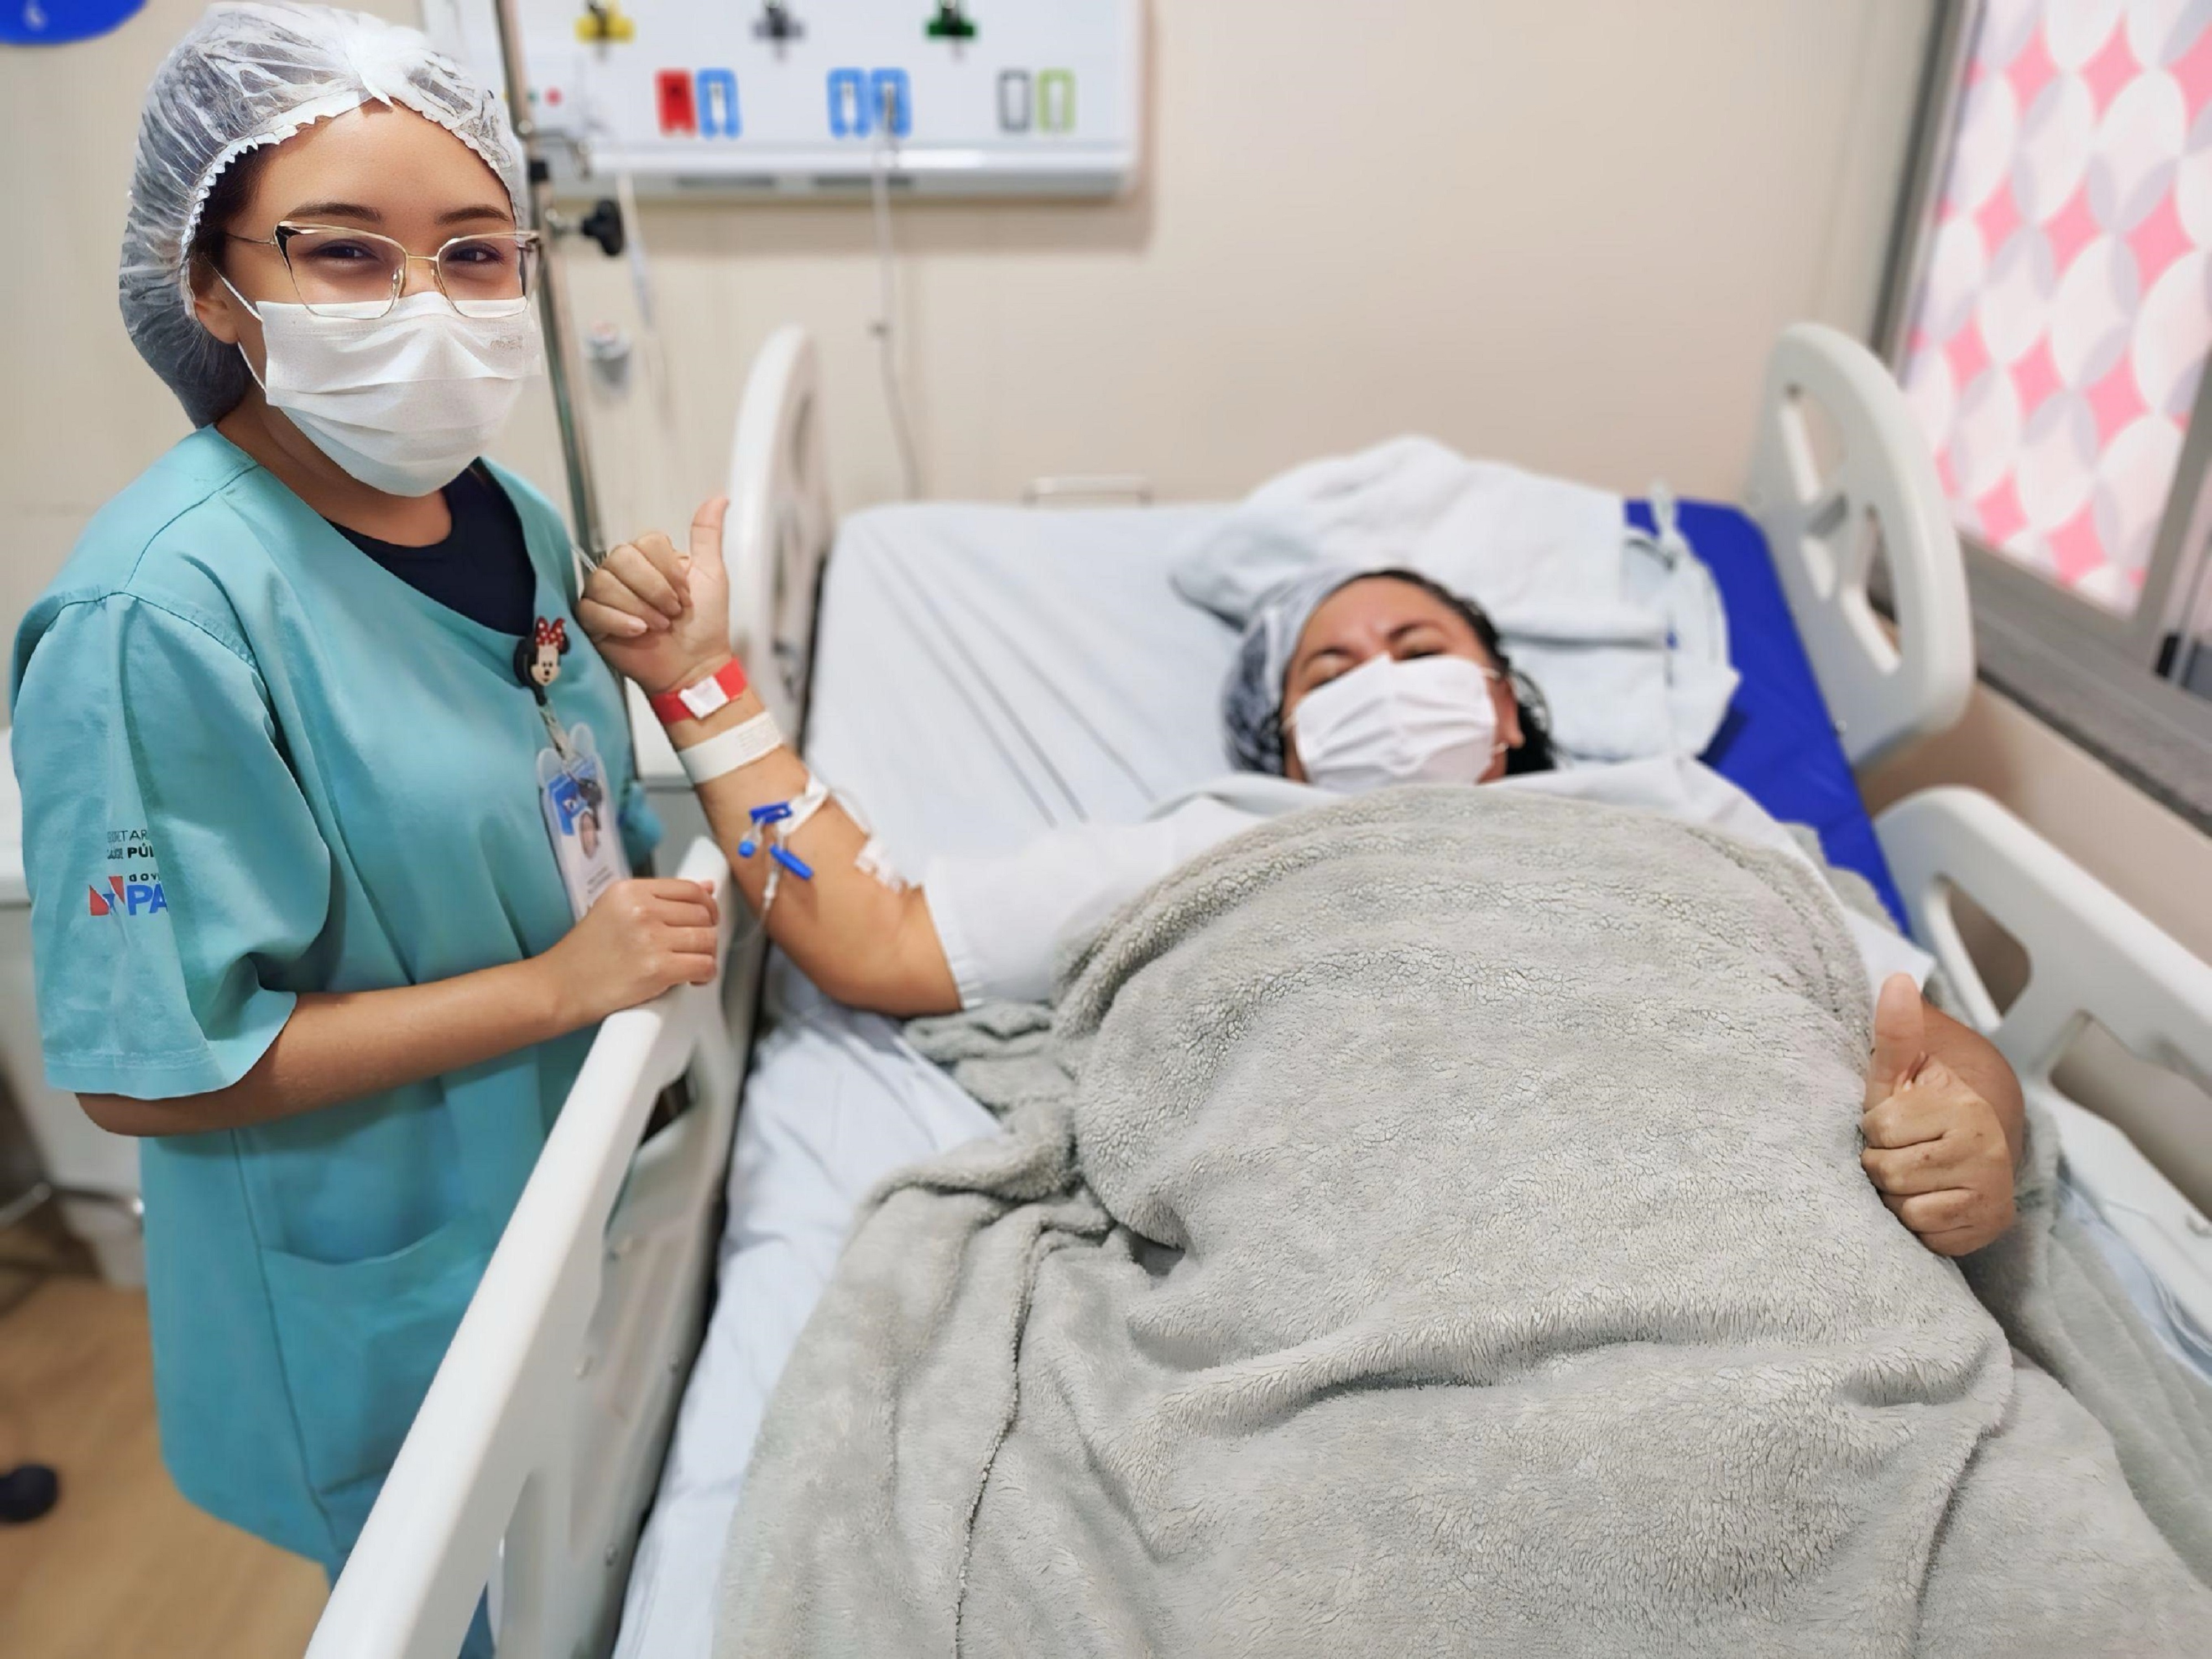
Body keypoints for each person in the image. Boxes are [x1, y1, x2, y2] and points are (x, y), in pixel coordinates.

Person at [9, 3, 719, 1621]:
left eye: (475, 253)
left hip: (560, 1177)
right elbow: (148, 1074)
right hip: (383, 1284)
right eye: (344, 252)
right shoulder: (155, 619)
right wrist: (559, 991)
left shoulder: (498, 510)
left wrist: (673, 676)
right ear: (209, 284)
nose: (430, 304)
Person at [581, 504, 2025, 1262]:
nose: (1379, 680)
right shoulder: (1222, 840)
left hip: (1719, 1205)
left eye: (1421, 651)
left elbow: (1927, 1038)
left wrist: (1975, 1140)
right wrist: (698, 685)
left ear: (1507, 703)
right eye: (1329, 672)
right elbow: (878, 933)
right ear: (1284, 738)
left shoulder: (1678, 809)